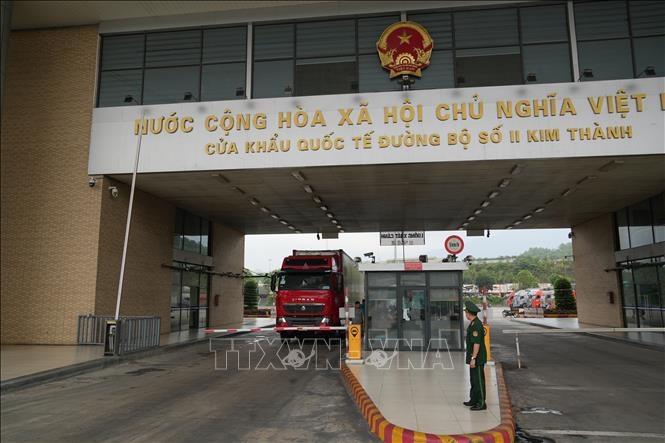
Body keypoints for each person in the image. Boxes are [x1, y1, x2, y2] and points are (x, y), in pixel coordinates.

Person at [463, 300, 487, 411]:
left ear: (469, 313)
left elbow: (476, 343)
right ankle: (474, 399)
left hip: (477, 358)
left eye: (466, 312)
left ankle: (481, 403)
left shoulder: (476, 325)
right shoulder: (473, 323)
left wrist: (473, 358)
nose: (465, 314)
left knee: (478, 380)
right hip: (474, 356)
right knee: (473, 379)